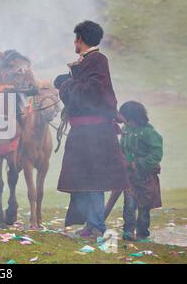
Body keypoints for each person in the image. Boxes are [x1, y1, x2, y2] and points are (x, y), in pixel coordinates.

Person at [54, 20, 129, 238]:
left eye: (75, 38)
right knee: (83, 179)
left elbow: (89, 92)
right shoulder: (87, 61)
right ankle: (90, 224)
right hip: (85, 133)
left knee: (94, 180)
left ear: (80, 39)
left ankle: (97, 226)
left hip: (94, 133)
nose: (74, 42)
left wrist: (65, 84)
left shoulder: (97, 60)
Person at [119, 101, 163, 241]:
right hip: (129, 177)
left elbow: (156, 154)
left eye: (125, 116)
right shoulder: (125, 130)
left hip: (145, 177)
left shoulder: (150, 133)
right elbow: (122, 148)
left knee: (144, 207)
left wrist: (138, 163)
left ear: (133, 117)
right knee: (129, 205)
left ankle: (142, 233)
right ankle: (128, 232)